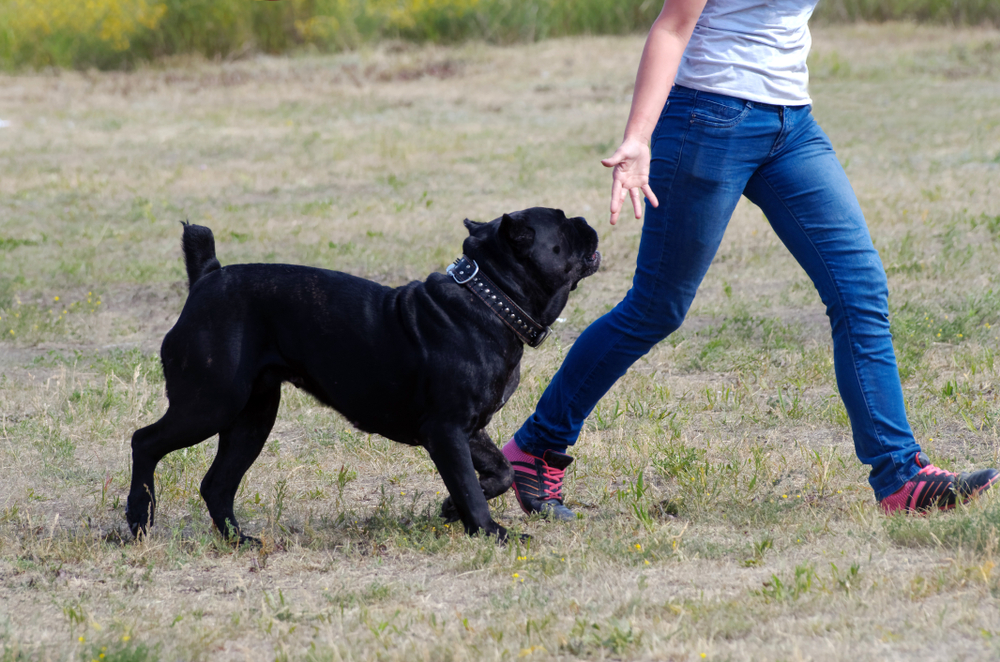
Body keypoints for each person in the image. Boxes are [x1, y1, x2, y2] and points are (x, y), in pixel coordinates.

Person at [500, 0, 1000, 519]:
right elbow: (673, 26)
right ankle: (537, 445)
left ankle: (901, 477)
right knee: (655, 309)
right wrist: (638, 136)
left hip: (791, 125)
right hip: (709, 117)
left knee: (860, 289)